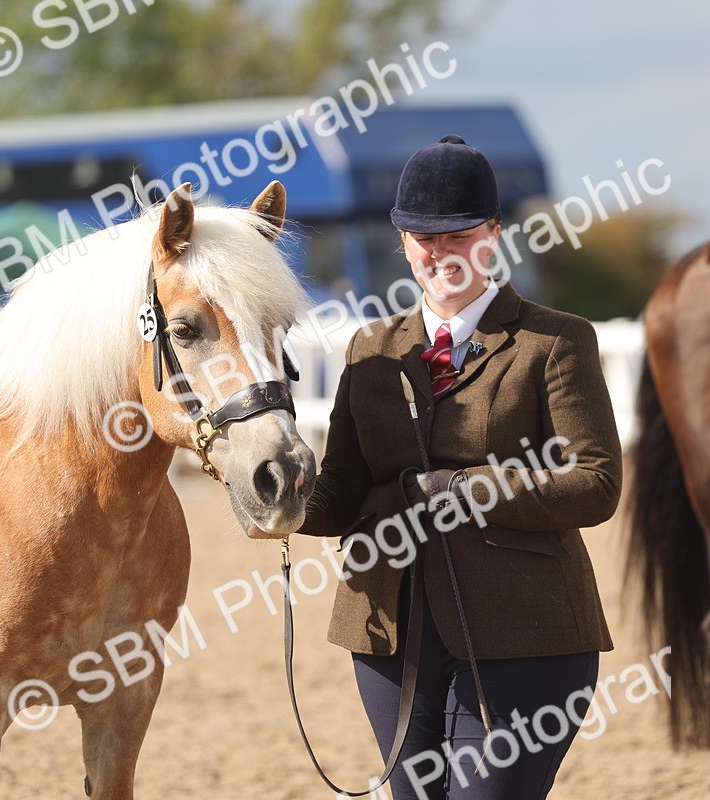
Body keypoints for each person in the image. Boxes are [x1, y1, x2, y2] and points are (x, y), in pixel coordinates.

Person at [250, 135, 622, 799]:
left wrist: (455, 489)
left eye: (459, 235)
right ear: (401, 240)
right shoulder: (370, 350)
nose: (440, 252)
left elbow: (593, 484)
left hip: (525, 635)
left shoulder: (552, 343)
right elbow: (342, 489)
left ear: (493, 236)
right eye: (423, 236)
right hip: (392, 637)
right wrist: (286, 503)